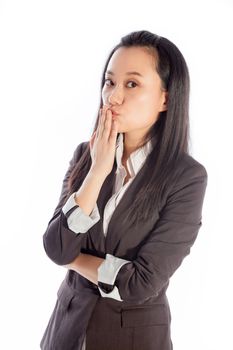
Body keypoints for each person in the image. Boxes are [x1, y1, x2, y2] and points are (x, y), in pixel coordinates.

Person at [40, 30, 208, 350]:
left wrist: (73, 260)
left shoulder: (186, 178)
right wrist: (98, 172)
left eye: (131, 84)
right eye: (109, 81)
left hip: (133, 339)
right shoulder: (85, 157)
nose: (113, 96)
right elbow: (57, 246)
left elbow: (139, 284)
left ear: (166, 98)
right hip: (65, 334)